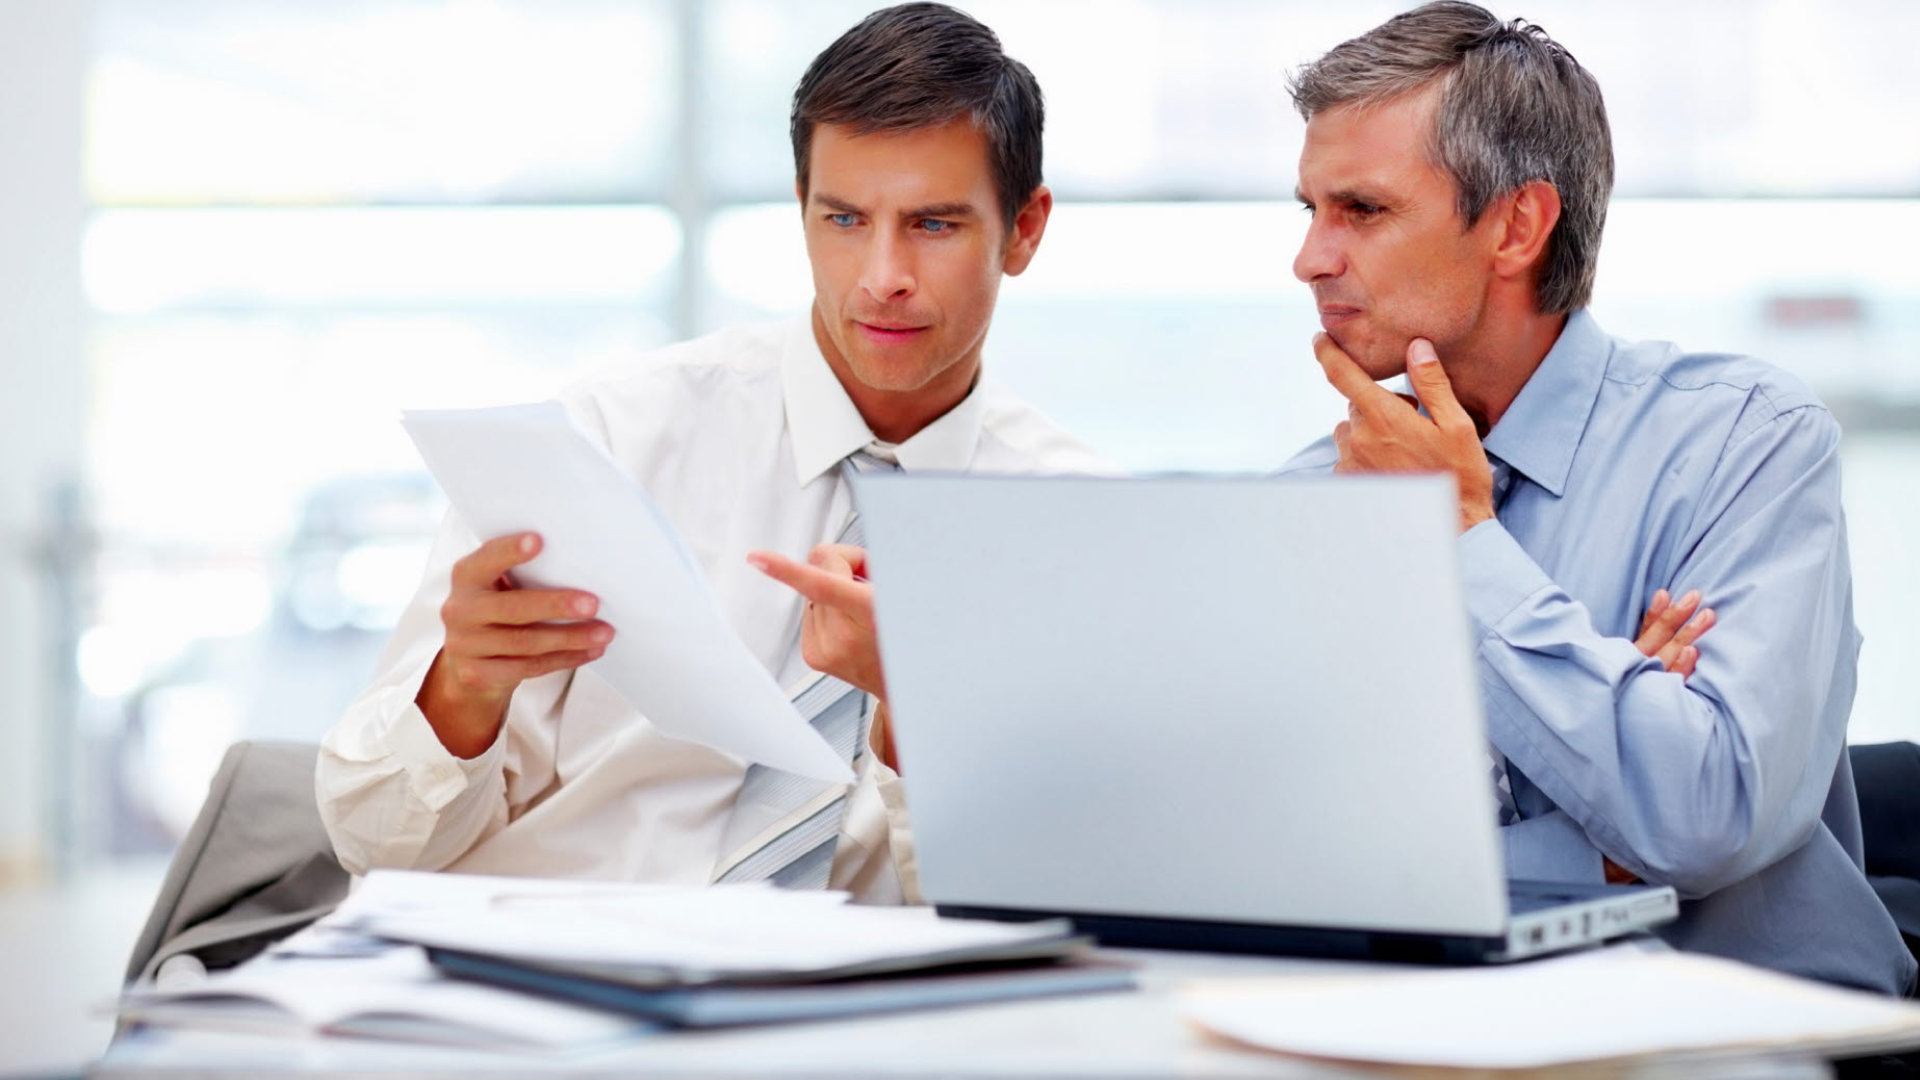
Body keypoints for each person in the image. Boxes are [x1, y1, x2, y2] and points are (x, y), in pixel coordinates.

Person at [315, 2, 1106, 905]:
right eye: (843, 220)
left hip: (851, 1014)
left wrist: (924, 700)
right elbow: (370, 845)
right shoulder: (605, 441)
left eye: (933, 225)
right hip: (552, 970)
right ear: (802, 210)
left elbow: (1055, 897)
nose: (882, 275)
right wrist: (458, 693)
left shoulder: (1081, 522)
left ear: (1027, 229)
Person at [1272, 1, 1913, 995]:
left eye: (1362, 209)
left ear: (1517, 225)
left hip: (1757, 1035)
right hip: (1424, 1024)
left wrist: (1460, 541)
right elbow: (1286, 854)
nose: (1310, 257)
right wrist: (1601, 848)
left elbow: (1701, 816)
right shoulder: (1316, 492)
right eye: (1308, 209)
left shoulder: (1745, 442)